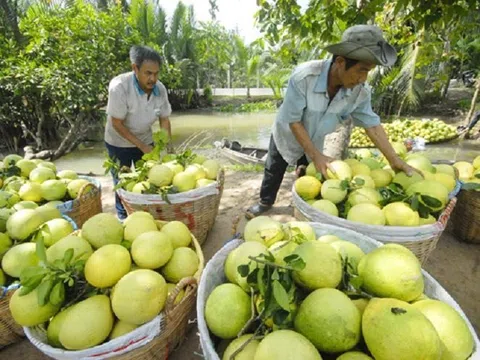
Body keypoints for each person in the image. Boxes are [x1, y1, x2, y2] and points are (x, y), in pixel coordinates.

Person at [246, 25, 418, 219]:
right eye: (361, 71)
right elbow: (294, 121)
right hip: (287, 132)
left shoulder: (360, 92)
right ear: (340, 61)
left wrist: (394, 160)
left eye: (368, 72)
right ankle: (265, 202)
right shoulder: (305, 77)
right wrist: (316, 155)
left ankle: (302, 204)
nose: (363, 79)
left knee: (309, 173)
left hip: (315, 138)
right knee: (274, 167)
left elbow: (372, 125)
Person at [105, 45, 173, 220]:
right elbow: (117, 123)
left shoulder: (160, 89)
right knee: (123, 183)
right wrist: (142, 146)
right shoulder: (119, 87)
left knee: (150, 181)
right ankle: (123, 218)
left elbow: (164, 119)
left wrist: (167, 146)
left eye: (156, 73)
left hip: (145, 138)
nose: (153, 78)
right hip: (118, 142)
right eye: (148, 73)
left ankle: (147, 217)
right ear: (135, 68)